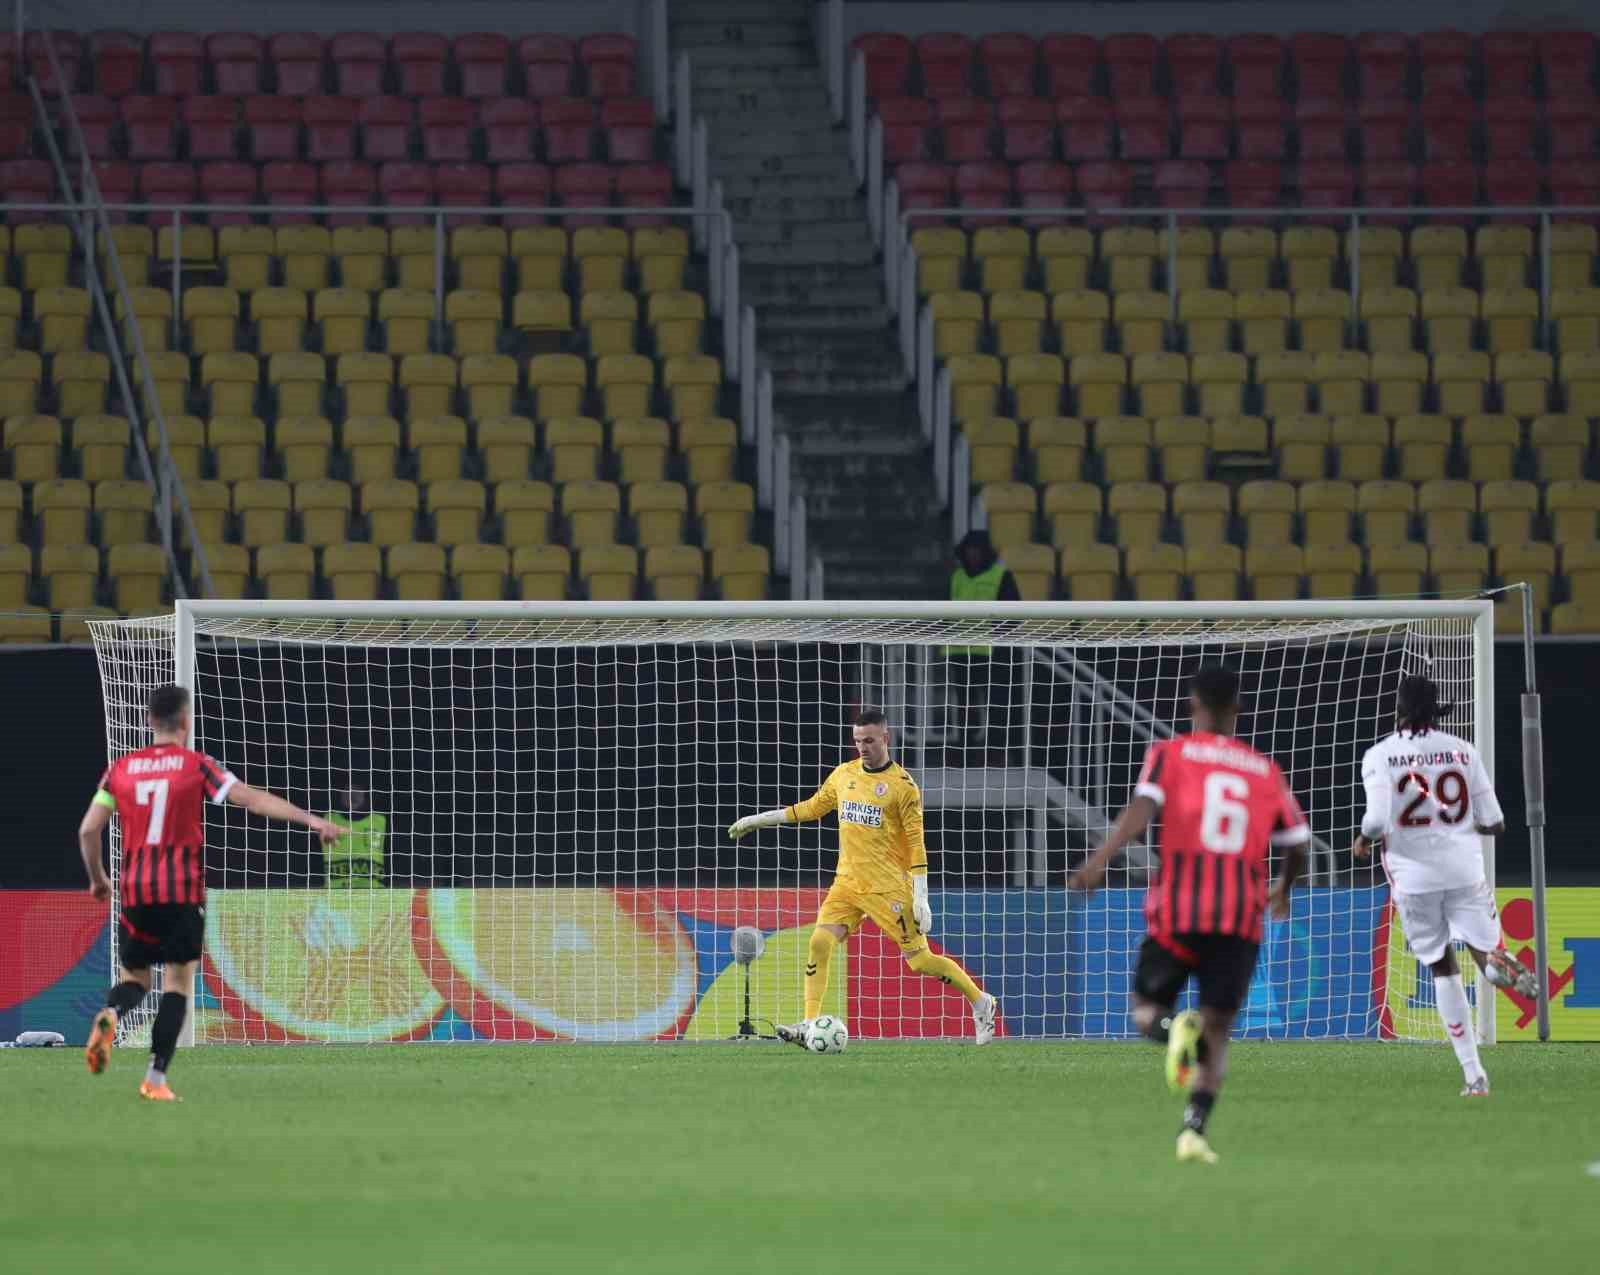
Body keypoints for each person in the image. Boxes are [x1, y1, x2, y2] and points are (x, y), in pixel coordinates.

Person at [1070, 665, 1310, 1165]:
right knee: (1219, 1030)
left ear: (1192, 704)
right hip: (1240, 919)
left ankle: (1171, 1030)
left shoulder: (1169, 755)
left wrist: (1099, 860)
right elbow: (1298, 842)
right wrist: (1283, 887)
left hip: (1178, 911)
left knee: (1145, 1011)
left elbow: (1140, 812)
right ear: (1238, 711)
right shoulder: (1264, 770)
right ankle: (1193, 1131)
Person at [77, 684, 341, 1100]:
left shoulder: (120, 769)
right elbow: (249, 799)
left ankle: (111, 1013)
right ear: (185, 721)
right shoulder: (197, 765)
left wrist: (97, 878)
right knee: (178, 983)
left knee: (135, 978)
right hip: (181, 892)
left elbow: (88, 829)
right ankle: (155, 1080)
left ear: (149, 721)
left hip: (135, 894)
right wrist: (312, 821)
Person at [726, 708, 999, 1045]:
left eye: (869, 740)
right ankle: (809, 1025)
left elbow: (916, 844)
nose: (863, 747)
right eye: (857, 741)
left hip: (888, 889)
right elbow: (811, 808)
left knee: (921, 962)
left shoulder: (903, 788)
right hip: (847, 884)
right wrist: (758, 820)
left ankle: (981, 1002)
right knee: (819, 942)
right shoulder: (844, 775)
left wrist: (920, 895)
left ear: (886, 738)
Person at [1353, 674, 1538, 1097]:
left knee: (1441, 968)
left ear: (1397, 708)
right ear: (1437, 708)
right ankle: (1495, 964)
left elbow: (1378, 820)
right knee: (1483, 948)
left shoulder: (1380, 755)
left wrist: (1364, 838)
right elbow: (1495, 822)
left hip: (1414, 878)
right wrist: (1451, 825)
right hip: (1463, 869)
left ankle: (1474, 1075)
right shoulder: (1464, 750)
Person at [943, 530, 1022, 766]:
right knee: (965, 708)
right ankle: (966, 753)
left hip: (992, 654)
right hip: (960, 652)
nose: (973, 554)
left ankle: (995, 754)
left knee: (996, 707)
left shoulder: (1002, 576)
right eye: (969, 550)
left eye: (977, 550)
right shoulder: (956, 576)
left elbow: (1014, 613)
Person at [325, 787, 386, 887]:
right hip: (334, 893)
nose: (352, 793)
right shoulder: (327, 820)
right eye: (348, 788)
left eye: (357, 788)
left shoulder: (381, 821)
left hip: (374, 894)